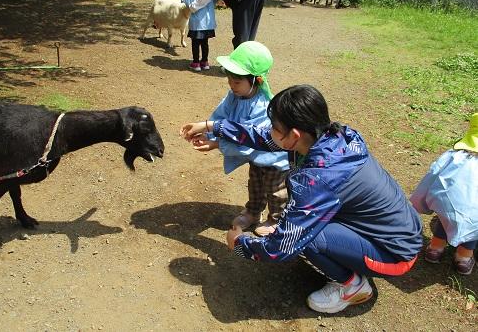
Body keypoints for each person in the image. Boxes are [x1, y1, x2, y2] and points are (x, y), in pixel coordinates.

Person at [180, 84, 423, 314]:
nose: (270, 129)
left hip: (394, 253)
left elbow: (281, 247)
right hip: (395, 230)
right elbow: (264, 138)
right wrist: (212, 126)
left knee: (303, 237)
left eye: (274, 125)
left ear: (294, 135)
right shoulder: (333, 137)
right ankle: (348, 258)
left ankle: (353, 285)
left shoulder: (318, 179)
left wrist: (241, 244)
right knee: (302, 224)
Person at [184, 41, 289, 235]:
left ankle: (276, 220)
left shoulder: (263, 106)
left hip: (273, 160)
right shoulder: (235, 95)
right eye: (230, 80)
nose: (232, 86)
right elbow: (220, 117)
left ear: (256, 80)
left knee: (275, 191)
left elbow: (248, 141)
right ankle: (252, 212)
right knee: (255, 185)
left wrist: (216, 144)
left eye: (237, 82)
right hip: (255, 159)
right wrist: (206, 133)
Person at [410, 112, 478, 275]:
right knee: (473, 224)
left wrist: (420, 202)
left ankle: (434, 249)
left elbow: (433, 175)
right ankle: (463, 259)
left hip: (447, 204)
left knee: (445, 216)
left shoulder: (455, 156)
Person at [181, 0, 217, 71]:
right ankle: (205, 62)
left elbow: (187, 3)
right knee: (205, 43)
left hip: (196, 22)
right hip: (208, 22)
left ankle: (196, 63)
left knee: (195, 43)